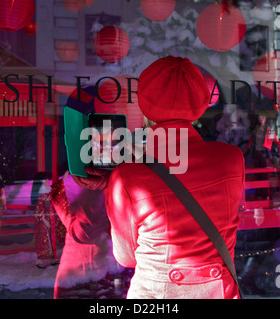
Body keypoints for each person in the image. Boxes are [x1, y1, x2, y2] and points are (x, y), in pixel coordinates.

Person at [103, 56, 244, 299]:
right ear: (200, 104)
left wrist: (111, 187)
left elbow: (125, 257)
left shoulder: (127, 174)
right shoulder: (231, 158)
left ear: (144, 105)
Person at [50, 172, 120, 299]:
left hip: (77, 275)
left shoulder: (73, 179)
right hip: (99, 272)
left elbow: (83, 232)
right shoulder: (114, 181)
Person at [32, 172, 66, 268]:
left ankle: (53, 258)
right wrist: (44, 220)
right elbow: (38, 208)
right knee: (43, 238)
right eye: (44, 179)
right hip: (43, 218)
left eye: (47, 179)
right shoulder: (41, 192)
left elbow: (56, 189)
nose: (47, 181)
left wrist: (63, 178)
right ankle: (40, 259)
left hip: (50, 216)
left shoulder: (48, 189)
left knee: (52, 237)